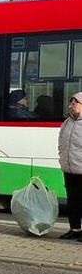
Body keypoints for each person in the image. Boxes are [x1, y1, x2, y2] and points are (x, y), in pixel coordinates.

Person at [58, 92, 82, 239]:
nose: (71, 106)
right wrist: (62, 159)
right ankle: (75, 229)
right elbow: (61, 143)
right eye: (71, 103)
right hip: (69, 169)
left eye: (75, 103)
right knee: (72, 200)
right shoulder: (67, 122)